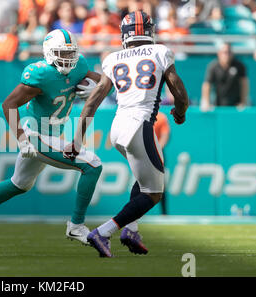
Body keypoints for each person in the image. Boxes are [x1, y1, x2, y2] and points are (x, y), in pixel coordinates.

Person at [0, 29, 103, 248]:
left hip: (53, 133)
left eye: (71, 53)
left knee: (19, 184)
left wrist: (95, 89)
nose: (68, 58)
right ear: (49, 52)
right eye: (62, 52)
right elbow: (8, 105)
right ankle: (76, 226)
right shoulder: (40, 74)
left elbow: (104, 85)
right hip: (35, 133)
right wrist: (22, 139)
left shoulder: (79, 65)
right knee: (93, 165)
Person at [64, 11, 189, 257]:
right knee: (154, 193)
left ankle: (130, 229)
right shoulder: (160, 52)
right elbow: (180, 92)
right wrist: (181, 112)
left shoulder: (113, 58)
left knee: (143, 179)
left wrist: (77, 140)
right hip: (139, 125)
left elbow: (91, 103)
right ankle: (103, 231)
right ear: (149, 31)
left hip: (118, 127)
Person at [200, 43, 249, 110]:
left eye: (229, 52)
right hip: (218, 104)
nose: (227, 55)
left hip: (236, 106)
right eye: (225, 52)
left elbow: (244, 84)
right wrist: (206, 103)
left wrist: (243, 102)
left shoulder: (239, 66)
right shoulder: (213, 67)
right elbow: (207, 85)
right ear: (219, 53)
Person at [153, 111, 170, 215]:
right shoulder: (139, 115)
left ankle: (164, 214)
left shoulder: (160, 117)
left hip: (157, 153)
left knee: (160, 185)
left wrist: (157, 150)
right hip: (143, 152)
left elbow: (165, 135)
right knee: (140, 184)